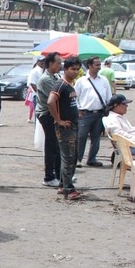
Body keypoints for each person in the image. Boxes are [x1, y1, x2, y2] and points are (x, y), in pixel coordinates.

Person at [47, 56, 82, 201]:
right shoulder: (60, 85)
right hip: (65, 128)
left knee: (72, 157)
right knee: (68, 158)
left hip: (73, 125)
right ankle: (69, 189)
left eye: (77, 69)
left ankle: (62, 184)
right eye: (72, 69)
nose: (75, 72)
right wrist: (59, 120)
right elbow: (50, 102)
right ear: (65, 69)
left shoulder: (69, 85)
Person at [74, 56, 112, 167]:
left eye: (100, 64)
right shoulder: (81, 81)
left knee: (96, 137)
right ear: (90, 66)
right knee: (81, 137)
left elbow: (108, 97)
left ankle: (92, 159)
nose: (99, 67)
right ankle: (77, 159)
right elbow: (75, 97)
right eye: (97, 65)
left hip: (100, 113)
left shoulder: (104, 80)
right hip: (85, 114)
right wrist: (78, 110)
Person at [36, 52, 62, 187]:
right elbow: (56, 99)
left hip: (53, 115)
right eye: (58, 63)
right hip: (47, 115)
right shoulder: (46, 79)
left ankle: (58, 175)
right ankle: (49, 177)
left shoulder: (55, 76)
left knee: (56, 147)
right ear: (51, 64)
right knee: (52, 146)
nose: (60, 65)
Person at [26, 56, 45, 123]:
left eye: (44, 61)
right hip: (38, 96)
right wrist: (39, 93)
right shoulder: (34, 71)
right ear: (37, 62)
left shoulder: (43, 70)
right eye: (41, 61)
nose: (43, 62)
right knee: (38, 115)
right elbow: (32, 84)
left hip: (43, 96)